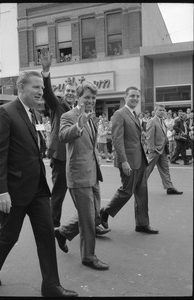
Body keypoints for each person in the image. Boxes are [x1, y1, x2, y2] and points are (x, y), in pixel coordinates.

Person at [0, 70, 78, 297]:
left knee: (45, 235)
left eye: (42, 88)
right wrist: (1, 191)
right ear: (21, 88)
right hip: (14, 192)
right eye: (36, 87)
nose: (40, 92)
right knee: (7, 237)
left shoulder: (33, 114)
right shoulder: (5, 113)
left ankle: (51, 286)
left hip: (38, 190)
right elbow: (0, 155)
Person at [40, 48, 108, 238]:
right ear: (64, 93)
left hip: (79, 159)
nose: (70, 94)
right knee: (59, 192)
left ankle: (91, 223)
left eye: (72, 92)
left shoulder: (83, 110)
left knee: (87, 197)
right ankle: (53, 225)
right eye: (68, 91)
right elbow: (48, 95)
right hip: (62, 155)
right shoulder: (58, 105)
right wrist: (46, 72)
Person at [57, 81, 109, 271]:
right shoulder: (68, 116)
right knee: (87, 218)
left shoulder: (92, 118)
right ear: (78, 98)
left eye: (93, 98)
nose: (91, 101)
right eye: (87, 97)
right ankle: (88, 256)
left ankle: (62, 232)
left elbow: (91, 145)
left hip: (93, 172)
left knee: (93, 213)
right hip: (78, 175)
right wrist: (78, 125)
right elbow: (63, 136)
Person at [100, 86, 158, 234]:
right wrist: (124, 161)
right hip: (128, 161)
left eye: (137, 97)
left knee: (142, 192)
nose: (135, 99)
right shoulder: (119, 114)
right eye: (132, 96)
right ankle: (105, 211)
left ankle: (142, 224)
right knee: (126, 191)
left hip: (140, 160)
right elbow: (117, 140)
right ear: (125, 97)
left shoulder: (134, 114)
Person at [145, 104, 183, 195]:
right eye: (160, 110)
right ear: (155, 111)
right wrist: (151, 149)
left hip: (163, 150)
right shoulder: (152, 121)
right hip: (155, 150)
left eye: (163, 110)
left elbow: (163, 134)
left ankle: (169, 188)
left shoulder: (162, 121)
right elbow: (149, 137)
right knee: (147, 169)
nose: (162, 112)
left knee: (165, 169)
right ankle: (138, 186)